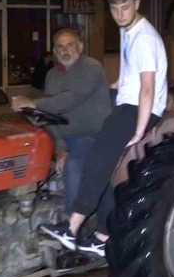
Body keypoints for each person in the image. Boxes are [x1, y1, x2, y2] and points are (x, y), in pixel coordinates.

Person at [39, 0, 168, 257]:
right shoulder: (128, 31)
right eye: (115, 8)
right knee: (108, 170)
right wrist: (117, 84)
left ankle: (71, 229)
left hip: (136, 109)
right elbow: (131, 71)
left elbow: (148, 87)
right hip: (129, 103)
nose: (120, 14)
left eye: (125, 7)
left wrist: (139, 129)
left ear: (136, 5)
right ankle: (103, 235)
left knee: (95, 161)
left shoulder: (144, 38)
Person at [11, 29, 111, 213]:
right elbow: (49, 115)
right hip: (68, 138)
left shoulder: (91, 67)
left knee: (72, 164)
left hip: (93, 136)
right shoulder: (52, 75)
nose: (65, 50)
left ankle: (73, 225)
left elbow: (71, 99)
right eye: (60, 47)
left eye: (70, 45)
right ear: (55, 52)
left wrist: (34, 103)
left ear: (80, 47)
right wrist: (59, 147)